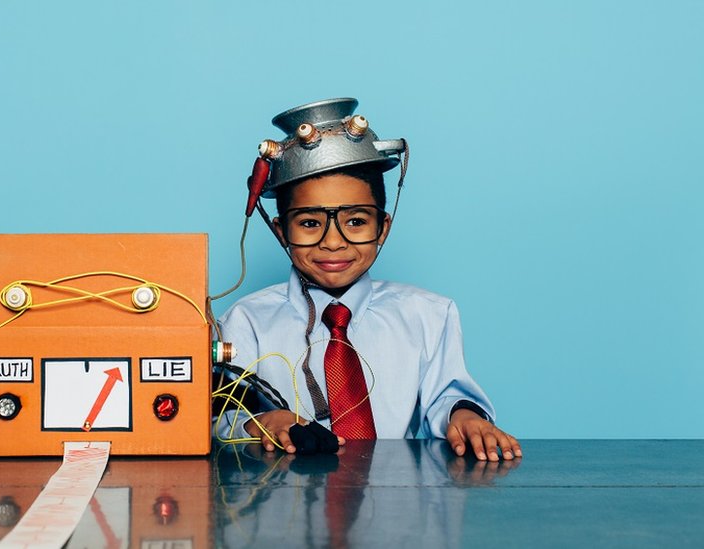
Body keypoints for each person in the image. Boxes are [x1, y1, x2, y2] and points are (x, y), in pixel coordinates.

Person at [213, 98, 521, 461]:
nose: (333, 241)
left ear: (383, 228)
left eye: (356, 221)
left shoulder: (430, 315)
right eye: (310, 223)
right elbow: (223, 416)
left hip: (398, 503)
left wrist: (465, 417)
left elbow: (445, 396)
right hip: (288, 505)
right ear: (281, 231)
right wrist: (263, 421)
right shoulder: (246, 321)